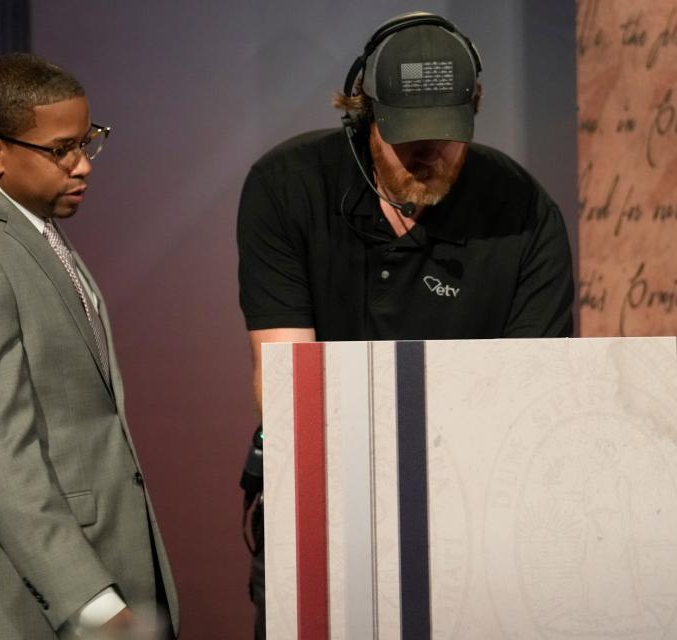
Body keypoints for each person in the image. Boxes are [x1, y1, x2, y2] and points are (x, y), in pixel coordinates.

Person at [236, 12, 574, 638]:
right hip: (325, 507)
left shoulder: (525, 211)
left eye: (446, 135)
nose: (426, 154)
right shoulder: (287, 188)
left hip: (472, 521)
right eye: (405, 135)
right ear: (364, 109)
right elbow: (284, 381)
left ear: (475, 107)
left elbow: (533, 403)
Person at [0, 53, 178, 640]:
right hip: (35, 602)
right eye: (61, 150)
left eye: (88, 142)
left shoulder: (32, 226)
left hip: (100, 574)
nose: (82, 166)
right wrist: (92, 603)